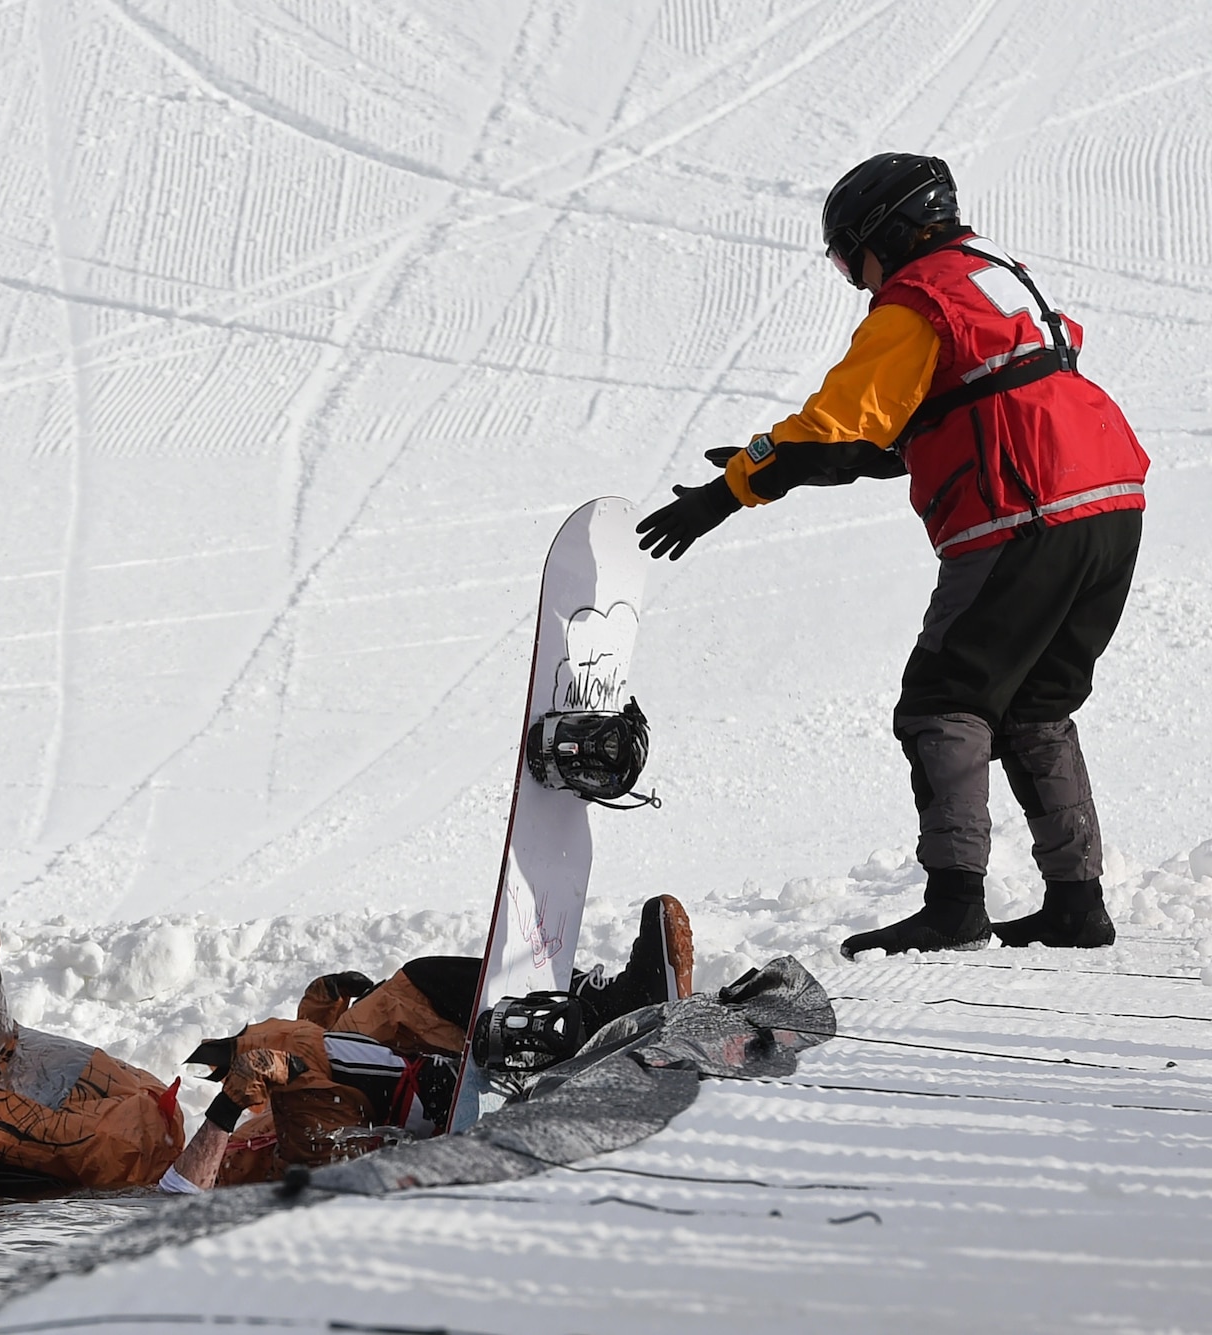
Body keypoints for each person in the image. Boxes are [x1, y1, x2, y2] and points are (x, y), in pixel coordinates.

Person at [634, 153, 1148, 958]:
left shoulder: (917, 300)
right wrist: (787, 462)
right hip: (1108, 504)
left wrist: (722, 495)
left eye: (849, 257)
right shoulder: (993, 276)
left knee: (944, 702)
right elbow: (907, 429)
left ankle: (953, 907)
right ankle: (1078, 904)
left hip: (1024, 513)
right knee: (1034, 705)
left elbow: (834, 425)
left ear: (887, 234)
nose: (855, 278)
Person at [160, 895, 694, 1191]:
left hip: (329, 1089)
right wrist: (229, 1104)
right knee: (414, 990)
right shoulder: (158, 1170)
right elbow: (179, 1198)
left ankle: (578, 1025)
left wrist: (322, 1005)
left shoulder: (172, 1138)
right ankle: (606, 1009)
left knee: (413, 1008)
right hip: (341, 1112)